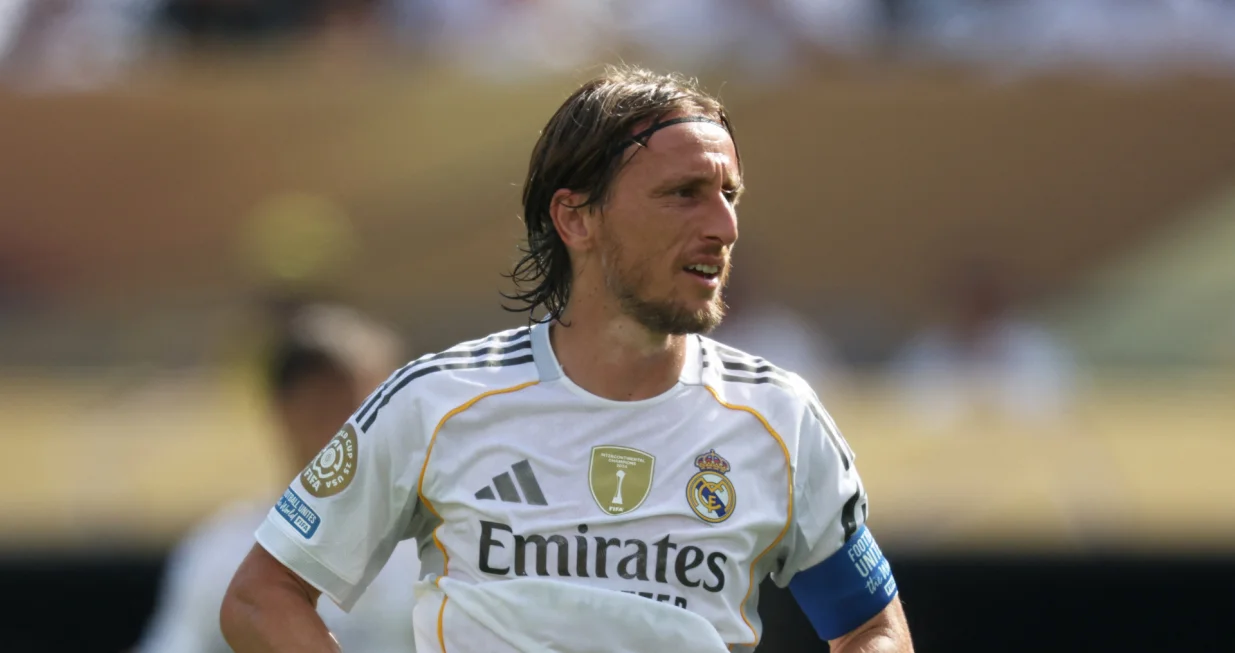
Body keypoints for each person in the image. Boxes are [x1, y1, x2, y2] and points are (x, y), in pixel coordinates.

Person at [220, 65, 913, 653]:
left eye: (727, 196)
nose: (724, 227)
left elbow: (870, 626)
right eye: (683, 194)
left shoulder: (780, 416)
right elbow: (261, 596)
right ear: (575, 218)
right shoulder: (436, 401)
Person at [137, 303, 420, 653]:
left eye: (361, 407)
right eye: (319, 404)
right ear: (280, 410)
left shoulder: (435, 545)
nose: (342, 428)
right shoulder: (220, 550)